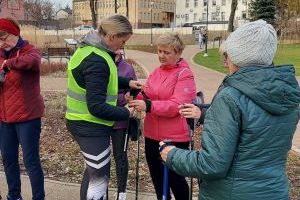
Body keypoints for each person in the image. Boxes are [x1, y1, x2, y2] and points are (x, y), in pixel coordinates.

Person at [160, 20, 300, 200]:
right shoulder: (287, 94)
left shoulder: (230, 98)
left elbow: (212, 164)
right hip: (274, 192)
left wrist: (171, 154)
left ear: (236, 55)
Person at [65, 15, 142, 200]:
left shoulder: (90, 50)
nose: (122, 46)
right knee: (99, 178)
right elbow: (97, 106)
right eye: (123, 41)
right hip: (89, 125)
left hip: (83, 123)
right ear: (112, 36)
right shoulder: (96, 59)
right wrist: (126, 112)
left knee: (92, 172)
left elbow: (100, 80)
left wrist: (128, 82)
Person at [129, 32, 196, 200]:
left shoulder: (184, 74)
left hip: (174, 137)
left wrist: (149, 105)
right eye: (159, 51)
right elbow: (146, 95)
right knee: (158, 180)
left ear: (178, 53)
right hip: (152, 135)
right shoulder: (156, 72)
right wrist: (135, 99)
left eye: (167, 52)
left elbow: (177, 105)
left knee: (176, 180)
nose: (161, 56)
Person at [0, 18, 45, 200]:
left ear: (15, 33)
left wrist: (8, 64)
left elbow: (33, 62)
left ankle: (38, 197)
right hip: (4, 118)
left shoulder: (30, 50)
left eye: (4, 37)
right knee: (9, 161)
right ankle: (14, 196)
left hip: (28, 117)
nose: (2, 42)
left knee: (31, 161)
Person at [110, 50, 137, 200]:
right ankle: (102, 188)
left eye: (119, 48)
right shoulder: (101, 64)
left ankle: (121, 192)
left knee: (120, 155)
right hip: (101, 119)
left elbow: (133, 92)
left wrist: (130, 99)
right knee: (101, 157)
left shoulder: (127, 68)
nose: (117, 51)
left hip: (120, 119)